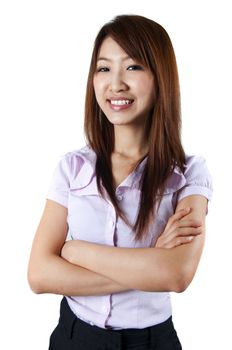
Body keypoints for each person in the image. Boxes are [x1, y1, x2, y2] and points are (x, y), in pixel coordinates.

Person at [28, 14, 213, 350]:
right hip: (74, 337)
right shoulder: (72, 168)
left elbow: (175, 275)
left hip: (151, 342)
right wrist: (147, 263)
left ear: (161, 78)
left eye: (133, 67)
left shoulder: (189, 174)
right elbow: (39, 275)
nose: (115, 84)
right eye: (103, 68)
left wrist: (74, 250)